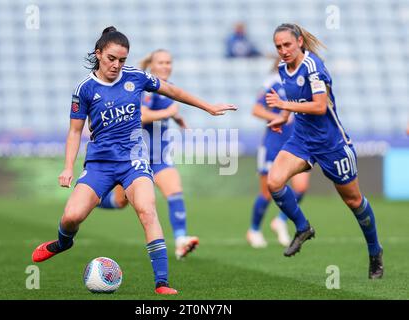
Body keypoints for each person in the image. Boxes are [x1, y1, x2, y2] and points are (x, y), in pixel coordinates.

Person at [31, 26, 237, 295]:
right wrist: (68, 166)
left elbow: (173, 91)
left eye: (122, 60)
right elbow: (74, 131)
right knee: (72, 217)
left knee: (147, 210)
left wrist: (208, 106)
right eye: (111, 59)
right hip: (99, 164)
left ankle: (161, 282)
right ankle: (62, 243)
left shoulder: (136, 77)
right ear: (99, 54)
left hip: (133, 161)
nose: (117, 65)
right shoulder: (84, 89)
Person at [265, 23, 383, 279]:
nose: (283, 50)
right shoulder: (283, 68)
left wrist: (283, 105)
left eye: (287, 45)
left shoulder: (314, 67)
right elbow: (294, 98)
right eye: (278, 46)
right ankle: (303, 227)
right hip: (301, 140)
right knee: (274, 182)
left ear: (299, 42)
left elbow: (319, 107)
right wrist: (283, 116)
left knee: (353, 201)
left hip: (332, 144)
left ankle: (375, 251)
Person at [98, 49, 200, 260]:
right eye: (161, 63)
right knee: (120, 202)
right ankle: (93, 200)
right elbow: (142, 115)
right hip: (133, 158)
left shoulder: (165, 88)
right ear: (151, 66)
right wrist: (169, 113)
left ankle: (181, 240)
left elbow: (166, 106)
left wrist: (177, 118)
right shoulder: (143, 87)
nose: (166, 66)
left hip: (159, 156)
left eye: (168, 62)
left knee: (175, 191)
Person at [247, 57, 310, 249]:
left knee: (300, 187)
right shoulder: (272, 82)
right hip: (273, 144)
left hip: (297, 144)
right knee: (267, 192)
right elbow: (256, 110)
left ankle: (280, 220)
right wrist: (278, 117)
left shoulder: (303, 80)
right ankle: (254, 230)